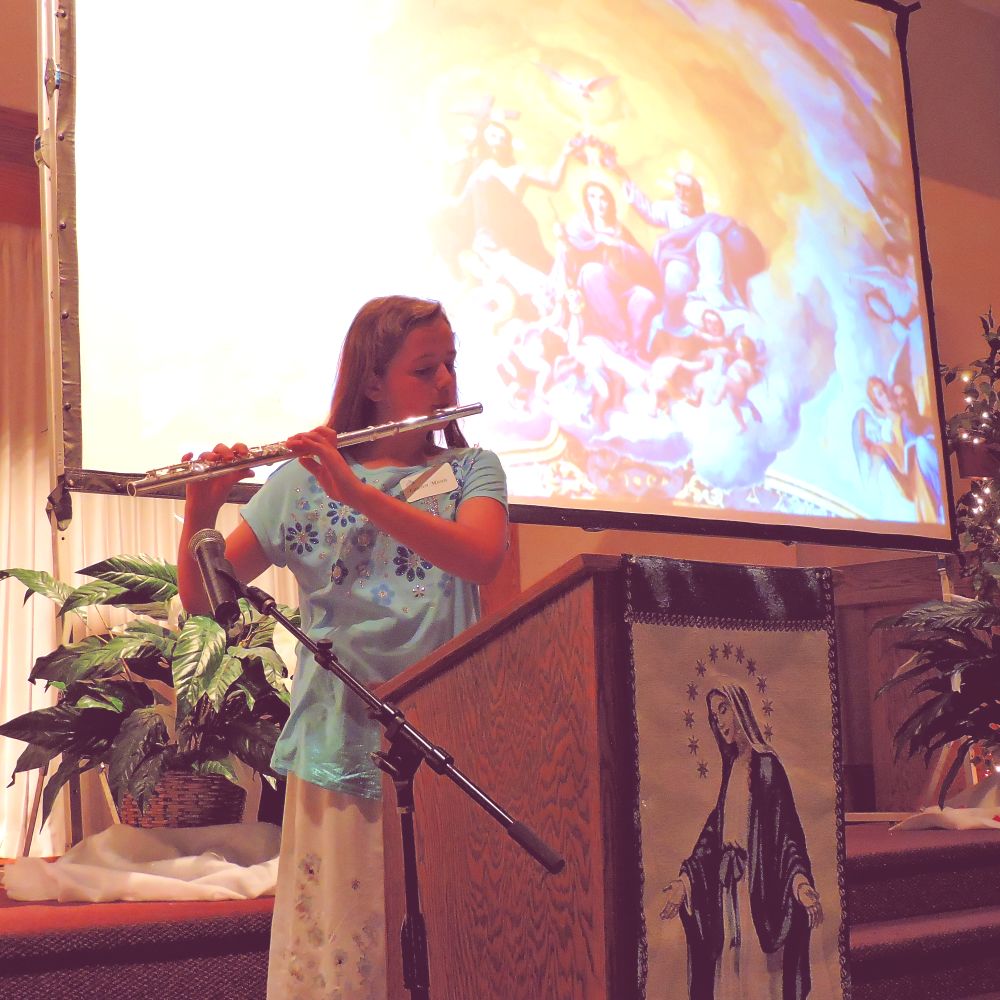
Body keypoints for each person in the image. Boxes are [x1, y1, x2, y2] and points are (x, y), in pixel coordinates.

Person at [177, 295, 509, 999]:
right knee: (339, 951)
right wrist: (199, 512)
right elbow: (206, 600)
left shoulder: (473, 470)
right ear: (372, 382)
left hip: (443, 738)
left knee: (445, 948)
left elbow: (480, 557)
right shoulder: (299, 482)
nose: (446, 382)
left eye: (451, 364)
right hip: (336, 741)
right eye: (425, 368)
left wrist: (358, 493)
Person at [659, 684, 822, 1000]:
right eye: (714, 715)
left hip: (757, 888)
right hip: (728, 891)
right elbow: (714, 834)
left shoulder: (767, 766)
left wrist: (800, 883)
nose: (720, 721)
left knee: (758, 971)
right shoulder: (731, 767)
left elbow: (786, 834)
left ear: (740, 708)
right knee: (732, 968)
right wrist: (685, 881)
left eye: (724, 709)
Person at [553, 180, 661, 355]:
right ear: (586, 200)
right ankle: (622, 343)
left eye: (603, 198)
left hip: (622, 287)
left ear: (610, 202)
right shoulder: (578, 227)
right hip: (592, 293)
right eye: (592, 197)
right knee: (593, 271)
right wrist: (562, 240)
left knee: (645, 297)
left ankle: (637, 349)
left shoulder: (619, 230)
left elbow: (644, 263)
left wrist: (619, 246)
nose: (598, 203)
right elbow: (568, 261)